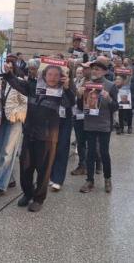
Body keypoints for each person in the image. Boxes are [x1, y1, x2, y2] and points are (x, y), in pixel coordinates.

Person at [2, 59, 75, 212]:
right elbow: (18, 85)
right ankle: (28, 194)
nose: (53, 77)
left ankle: (38, 199)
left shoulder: (61, 92)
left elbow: (69, 103)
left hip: (48, 137)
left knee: (44, 170)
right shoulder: (34, 86)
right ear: (44, 74)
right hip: (30, 133)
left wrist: (68, 87)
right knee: (25, 167)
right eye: (50, 74)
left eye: (56, 75)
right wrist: (9, 74)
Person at [78, 61, 116, 193]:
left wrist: (109, 98)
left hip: (104, 124)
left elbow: (116, 107)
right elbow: (79, 107)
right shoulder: (87, 85)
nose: (94, 71)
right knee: (90, 152)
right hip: (90, 123)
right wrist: (80, 95)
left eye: (98, 69)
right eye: (93, 69)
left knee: (104, 152)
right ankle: (89, 180)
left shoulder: (111, 86)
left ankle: (107, 179)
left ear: (105, 72)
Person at [0, 58, 27, 198]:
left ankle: (0, 186)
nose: (6, 69)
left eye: (9, 68)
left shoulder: (19, 82)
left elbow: (25, 103)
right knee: (0, 152)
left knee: (7, 152)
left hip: (14, 120)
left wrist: (15, 115)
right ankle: (10, 179)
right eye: (5, 67)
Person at [49, 61, 77, 192]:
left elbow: (72, 102)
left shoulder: (70, 84)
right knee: (50, 148)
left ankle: (58, 179)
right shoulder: (50, 83)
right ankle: (51, 174)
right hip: (51, 117)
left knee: (62, 148)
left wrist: (66, 87)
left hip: (65, 119)